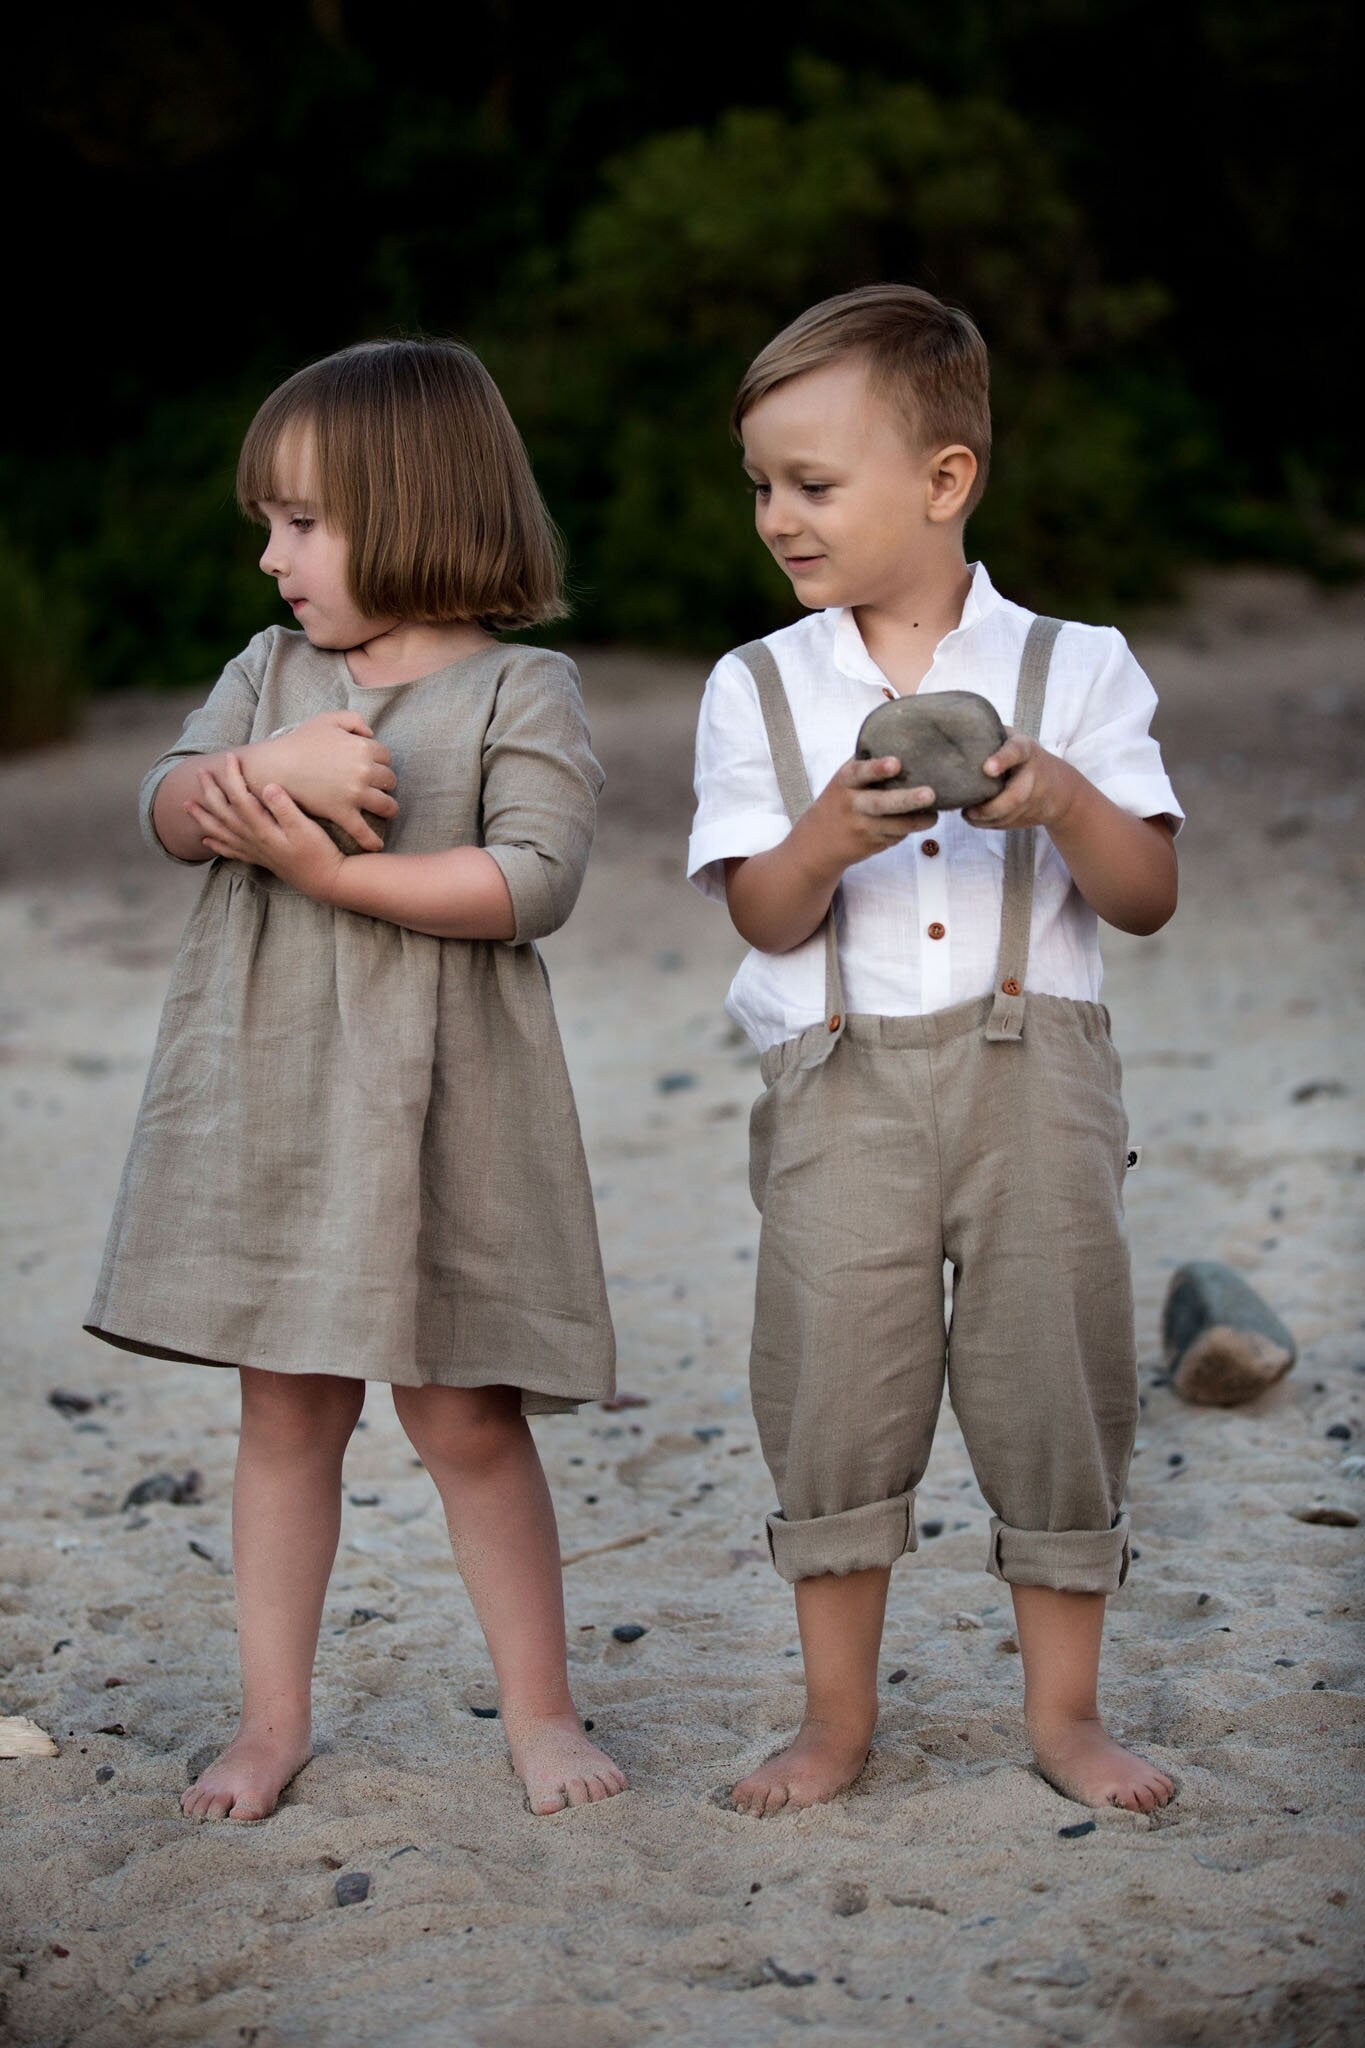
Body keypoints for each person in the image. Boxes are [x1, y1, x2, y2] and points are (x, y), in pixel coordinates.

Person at [86, 338, 627, 1821]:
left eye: (300, 522)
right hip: (278, 1091)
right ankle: (272, 1720)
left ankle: (540, 1712)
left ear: (414, 508)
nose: (270, 558)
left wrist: (334, 869)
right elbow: (169, 801)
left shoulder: (526, 688)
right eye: (266, 522)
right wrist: (256, 785)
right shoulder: (271, 676)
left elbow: (532, 882)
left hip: (442, 1104)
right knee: (286, 1413)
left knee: (462, 1419)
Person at [688, 284, 1181, 1818]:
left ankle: (1065, 1715)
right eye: (762, 483)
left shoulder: (1077, 666)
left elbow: (1147, 896)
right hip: (837, 1087)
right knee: (834, 1389)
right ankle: (837, 1722)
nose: (779, 514)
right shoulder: (755, 688)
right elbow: (765, 919)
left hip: (1037, 1078)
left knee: (1055, 1381)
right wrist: (830, 829)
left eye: (813, 484)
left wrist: (1066, 808)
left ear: (945, 479)